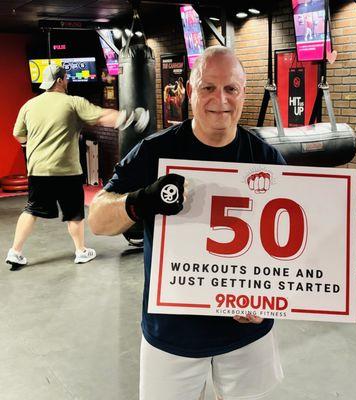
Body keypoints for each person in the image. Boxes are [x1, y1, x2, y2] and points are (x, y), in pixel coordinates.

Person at [88, 46, 286, 399]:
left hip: (246, 330)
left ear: (243, 93)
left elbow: (287, 246)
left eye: (231, 89)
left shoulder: (266, 158)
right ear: (190, 92)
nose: (220, 99)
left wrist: (268, 297)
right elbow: (98, 220)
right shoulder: (154, 151)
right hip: (173, 330)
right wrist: (139, 201)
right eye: (208, 87)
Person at [5, 63, 135, 269]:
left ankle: (15, 252)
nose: (68, 81)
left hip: (38, 169)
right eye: (66, 78)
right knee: (74, 212)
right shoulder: (73, 102)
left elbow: (18, 134)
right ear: (60, 80)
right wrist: (130, 117)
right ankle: (81, 251)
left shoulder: (29, 105)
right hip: (67, 170)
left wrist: (30, 145)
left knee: (31, 209)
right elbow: (103, 117)